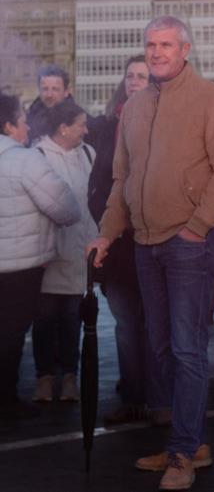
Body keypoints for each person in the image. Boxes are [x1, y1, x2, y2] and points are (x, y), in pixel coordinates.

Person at [86, 16, 214, 491]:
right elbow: (123, 179)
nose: (156, 53)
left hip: (189, 246)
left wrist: (197, 227)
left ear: (185, 49)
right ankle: (190, 440)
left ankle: (182, 454)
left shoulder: (210, 100)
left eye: (166, 45)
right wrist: (107, 233)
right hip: (144, 244)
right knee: (162, 350)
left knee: (186, 349)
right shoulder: (135, 107)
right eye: (150, 45)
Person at [88, 56, 160, 425]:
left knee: (153, 323)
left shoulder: (161, 122)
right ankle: (134, 393)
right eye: (130, 75)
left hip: (152, 239)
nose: (134, 81)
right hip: (117, 243)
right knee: (126, 323)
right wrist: (105, 227)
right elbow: (101, 182)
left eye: (141, 76)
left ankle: (156, 395)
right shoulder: (108, 125)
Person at [0, 94, 81, 420]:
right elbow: (65, 208)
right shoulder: (25, 160)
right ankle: (5, 400)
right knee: (12, 332)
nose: (27, 125)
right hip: (20, 265)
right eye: (22, 120)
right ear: (8, 126)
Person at [30, 101, 97, 404]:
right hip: (47, 254)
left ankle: (70, 376)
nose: (86, 129)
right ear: (63, 128)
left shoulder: (88, 154)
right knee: (44, 320)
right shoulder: (38, 156)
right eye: (81, 124)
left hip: (78, 254)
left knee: (72, 319)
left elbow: (92, 203)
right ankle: (44, 378)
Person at [26, 64, 73, 143]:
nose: (49, 95)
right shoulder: (28, 121)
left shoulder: (80, 122)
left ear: (66, 91)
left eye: (55, 89)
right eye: (45, 89)